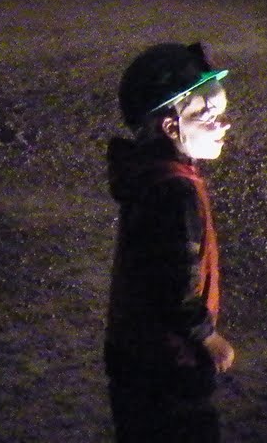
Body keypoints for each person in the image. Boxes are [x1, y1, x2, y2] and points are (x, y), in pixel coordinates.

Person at [105, 42, 236, 443]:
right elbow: (173, 280)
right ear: (170, 126)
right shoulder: (174, 191)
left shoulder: (147, 175)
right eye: (206, 115)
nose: (223, 124)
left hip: (133, 354)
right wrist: (206, 336)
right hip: (168, 360)